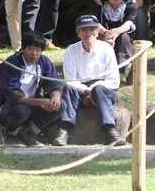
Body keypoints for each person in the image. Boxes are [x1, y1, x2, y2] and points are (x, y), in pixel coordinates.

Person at [53, 14, 126, 147]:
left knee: (100, 90)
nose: (88, 34)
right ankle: (64, 130)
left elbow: (114, 80)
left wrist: (94, 90)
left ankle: (110, 130)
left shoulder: (106, 49)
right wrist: (86, 90)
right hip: (80, 89)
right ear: (78, 33)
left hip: (103, 89)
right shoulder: (71, 50)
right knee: (68, 89)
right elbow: (70, 80)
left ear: (98, 32)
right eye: (84, 30)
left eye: (92, 29)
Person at [0, 31, 62, 147]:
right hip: (9, 107)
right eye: (30, 49)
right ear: (23, 48)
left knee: (61, 105)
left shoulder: (44, 62)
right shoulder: (11, 63)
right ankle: (10, 134)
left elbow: (53, 84)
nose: (34, 53)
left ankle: (28, 132)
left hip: (33, 105)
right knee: (21, 110)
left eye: (38, 50)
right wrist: (41, 102)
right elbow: (13, 96)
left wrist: (56, 97)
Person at [90, 0, 137, 84]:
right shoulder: (98, 9)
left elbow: (129, 24)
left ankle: (127, 70)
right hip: (103, 39)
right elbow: (92, 22)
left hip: (122, 43)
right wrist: (106, 33)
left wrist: (115, 32)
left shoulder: (130, 9)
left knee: (124, 35)